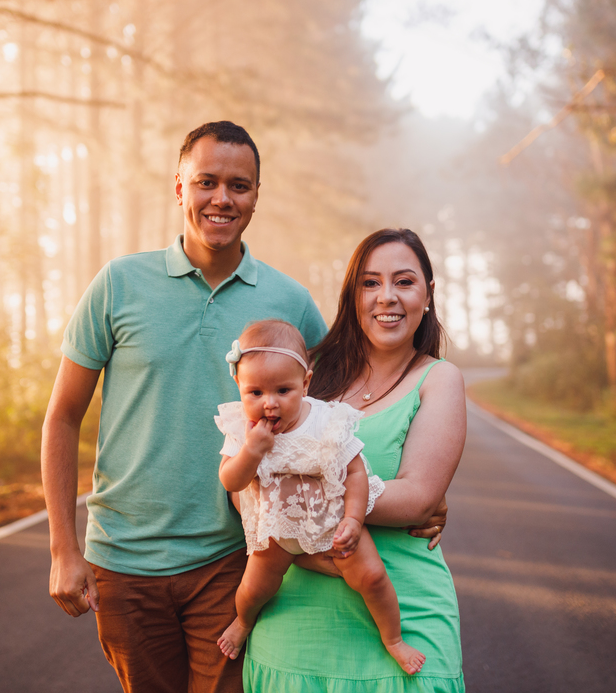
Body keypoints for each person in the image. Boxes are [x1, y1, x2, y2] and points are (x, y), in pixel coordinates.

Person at [41, 121, 328, 693]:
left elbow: (342, 410)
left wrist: (411, 491)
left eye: (239, 186)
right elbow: (63, 416)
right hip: (122, 560)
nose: (223, 198)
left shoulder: (290, 302)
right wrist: (62, 549)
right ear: (179, 188)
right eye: (207, 182)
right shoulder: (119, 284)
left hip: (232, 558)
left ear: (255, 197)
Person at [243, 228, 468, 692]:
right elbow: (245, 471)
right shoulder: (306, 372)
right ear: (352, 295)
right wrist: (349, 496)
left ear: (428, 292)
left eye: (404, 282)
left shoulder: (439, 380)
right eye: (370, 283)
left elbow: (418, 498)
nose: (387, 297)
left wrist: (296, 495)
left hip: (406, 607)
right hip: (297, 615)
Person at [214, 319, 426, 675]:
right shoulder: (242, 429)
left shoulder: (326, 422)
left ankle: (394, 640)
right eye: (256, 393)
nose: (269, 404)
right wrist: (252, 451)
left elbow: (356, 472)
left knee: (372, 578)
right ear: (239, 385)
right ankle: (243, 621)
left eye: (283, 391)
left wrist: (353, 520)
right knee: (252, 589)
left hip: (331, 524)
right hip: (277, 532)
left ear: (305, 382)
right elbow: (230, 481)